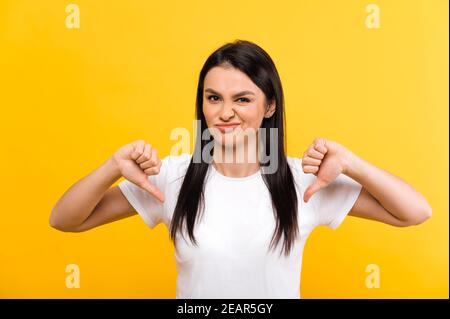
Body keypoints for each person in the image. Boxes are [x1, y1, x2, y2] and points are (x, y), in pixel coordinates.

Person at [49, 40, 432, 299]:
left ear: (269, 107)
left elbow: (415, 212)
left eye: (242, 99)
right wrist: (112, 167)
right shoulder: (174, 176)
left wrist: (351, 163)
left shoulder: (304, 182)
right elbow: (65, 219)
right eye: (213, 98)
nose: (224, 112)